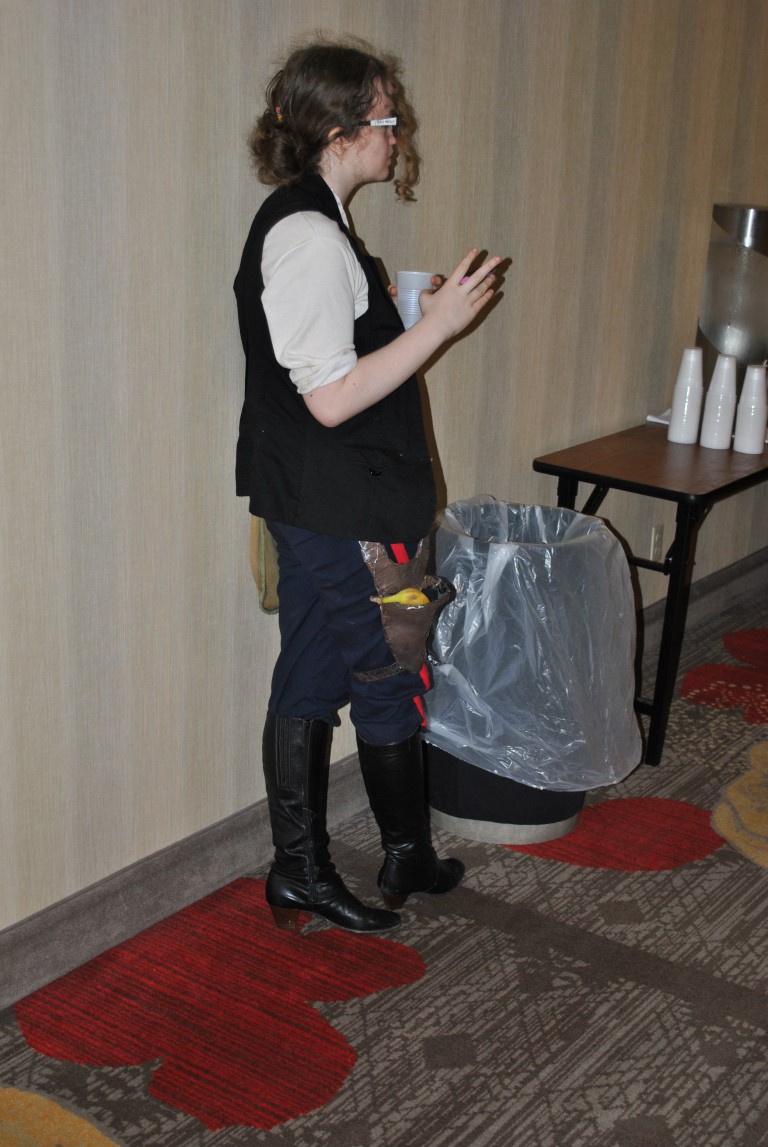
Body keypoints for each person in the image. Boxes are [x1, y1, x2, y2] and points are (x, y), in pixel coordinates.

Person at [234, 37, 501, 935]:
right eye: (388, 117)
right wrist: (440, 326)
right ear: (341, 131)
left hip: (324, 495)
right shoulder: (308, 236)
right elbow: (331, 397)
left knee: (313, 667)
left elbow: (336, 362)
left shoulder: (322, 225)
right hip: (337, 500)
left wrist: (403, 316)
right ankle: (390, 855)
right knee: (388, 669)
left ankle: (309, 869)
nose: (398, 133)